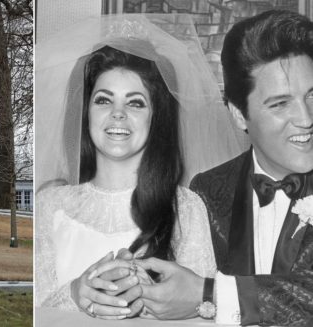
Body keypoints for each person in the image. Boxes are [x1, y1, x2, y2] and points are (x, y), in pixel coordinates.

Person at [35, 14, 245, 320]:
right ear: (86, 112)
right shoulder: (48, 205)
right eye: (104, 100)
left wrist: (152, 304)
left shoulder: (186, 208)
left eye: (135, 103)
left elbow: (206, 313)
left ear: (155, 118)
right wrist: (76, 293)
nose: (118, 114)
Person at [133, 10, 313, 326]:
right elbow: (178, 289)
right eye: (280, 103)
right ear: (238, 114)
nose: (307, 118)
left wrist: (210, 293)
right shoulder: (206, 190)